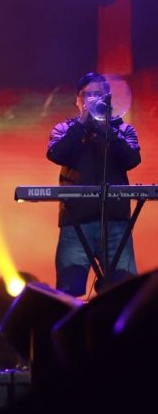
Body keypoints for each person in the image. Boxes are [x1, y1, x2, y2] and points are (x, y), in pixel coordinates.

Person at [46, 72, 142, 297]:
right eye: (86, 95)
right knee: (69, 292)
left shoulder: (124, 130)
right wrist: (82, 124)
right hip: (76, 223)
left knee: (125, 293)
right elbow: (56, 153)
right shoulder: (64, 129)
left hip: (116, 223)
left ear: (107, 98)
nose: (91, 99)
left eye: (97, 94)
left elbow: (132, 159)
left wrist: (107, 128)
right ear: (77, 100)